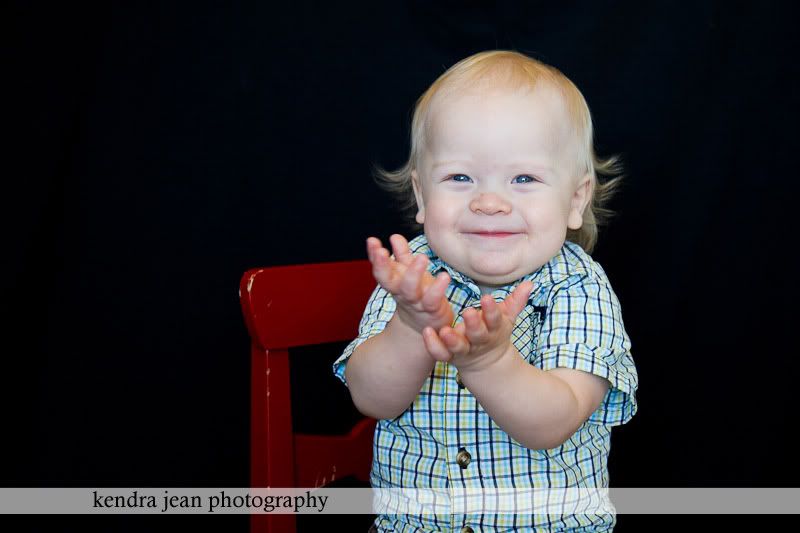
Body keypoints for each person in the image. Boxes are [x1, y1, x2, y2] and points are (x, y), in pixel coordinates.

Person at [333, 49, 638, 532]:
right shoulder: (412, 276)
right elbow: (373, 399)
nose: (490, 202)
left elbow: (553, 422)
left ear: (576, 199)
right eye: (459, 177)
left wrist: (489, 363)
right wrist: (410, 326)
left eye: (524, 178)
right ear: (420, 195)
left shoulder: (578, 289)